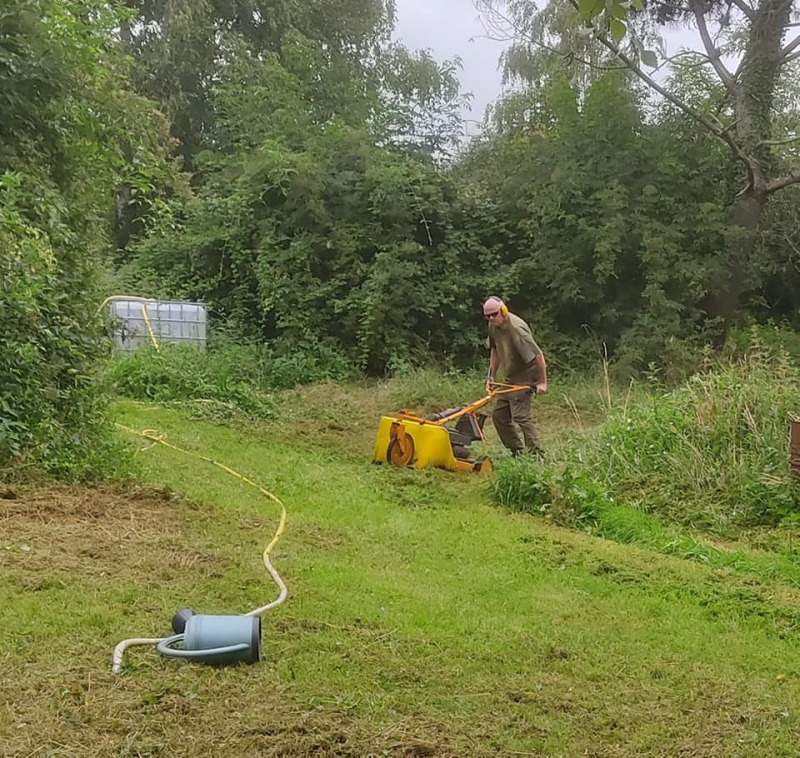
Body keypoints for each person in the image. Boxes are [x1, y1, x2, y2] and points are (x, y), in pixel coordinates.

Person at [483, 296, 547, 457]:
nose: (491, 318)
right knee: (499, 416)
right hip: (511, 375)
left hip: (526, 373)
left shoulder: (517, 329)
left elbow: (538, 355)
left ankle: (536, 454)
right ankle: (517, 451)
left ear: (503, 311)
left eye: (494, 314)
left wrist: (542, 382)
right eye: (487, 316)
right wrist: (491, 375)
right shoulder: (493, 327)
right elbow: (495, 350)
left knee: (520, 416)